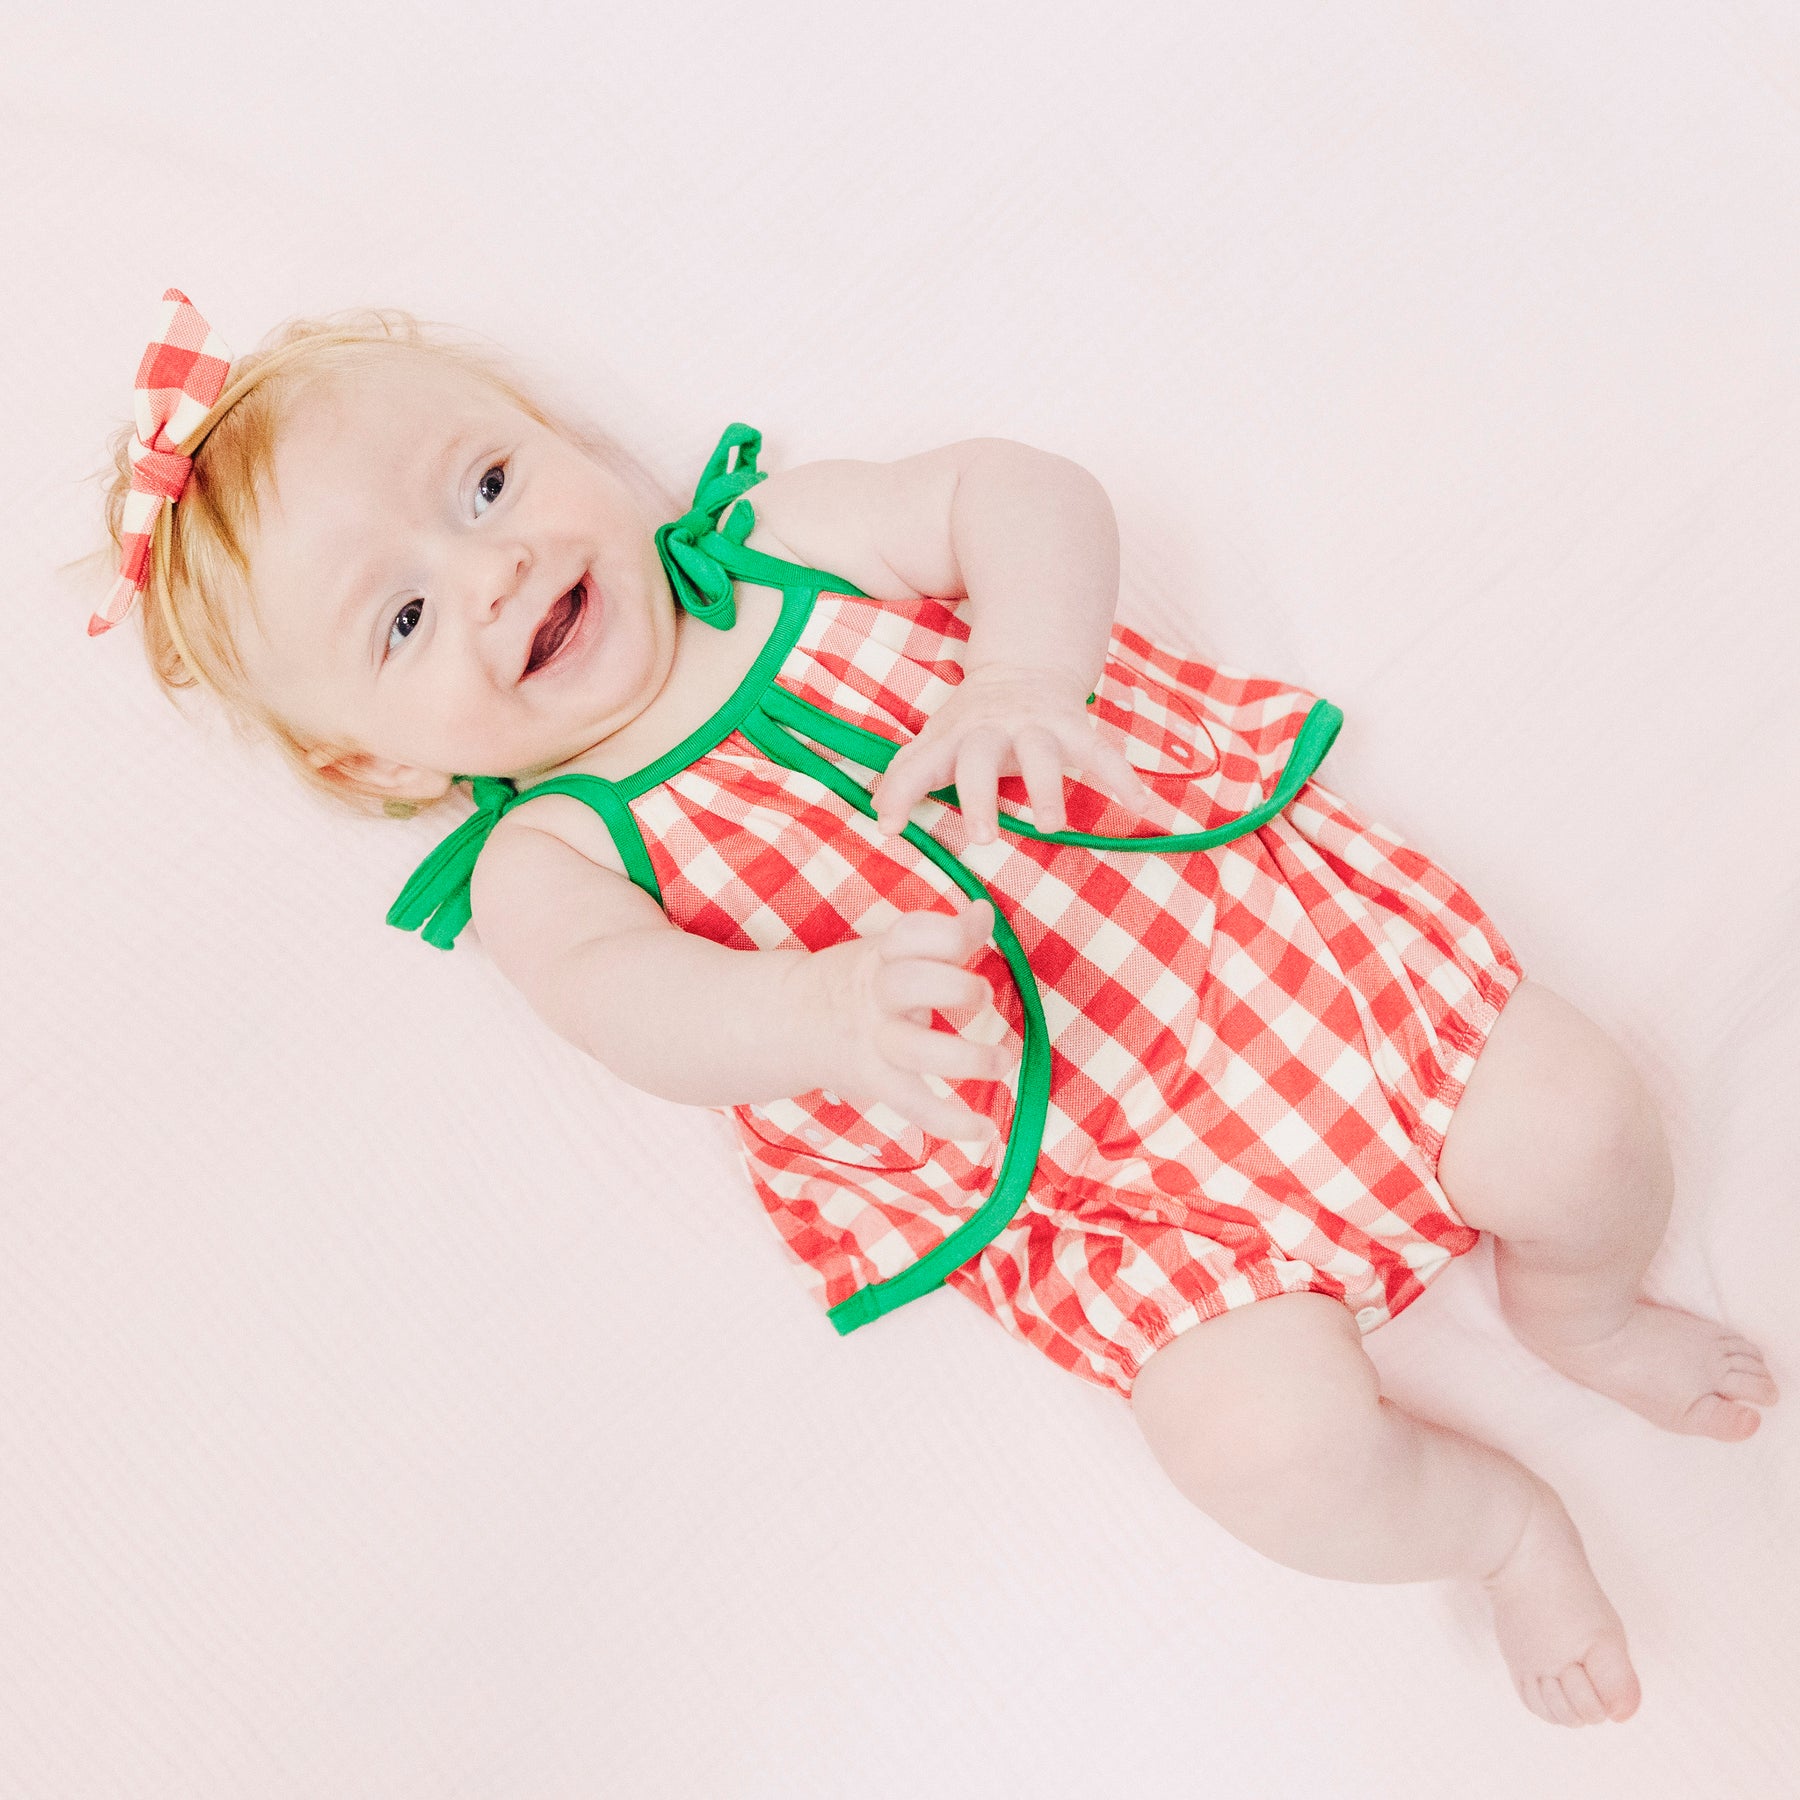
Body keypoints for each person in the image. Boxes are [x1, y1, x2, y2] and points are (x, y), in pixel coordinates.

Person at [91, 288, 1780, 1729]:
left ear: (564, 439)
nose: (495, 569)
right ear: (378, 770)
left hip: (1277, 974)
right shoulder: (550, 853)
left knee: (1579, 1125)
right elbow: (626, 1004)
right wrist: (817, 1018)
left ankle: (1585, 1309)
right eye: (401, 617)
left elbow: (1016, 492)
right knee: (1267, 1453)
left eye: (485, 481)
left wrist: (1025, 669)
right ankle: (1501, 1530)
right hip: (1103, 1191)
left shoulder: (779, 547)